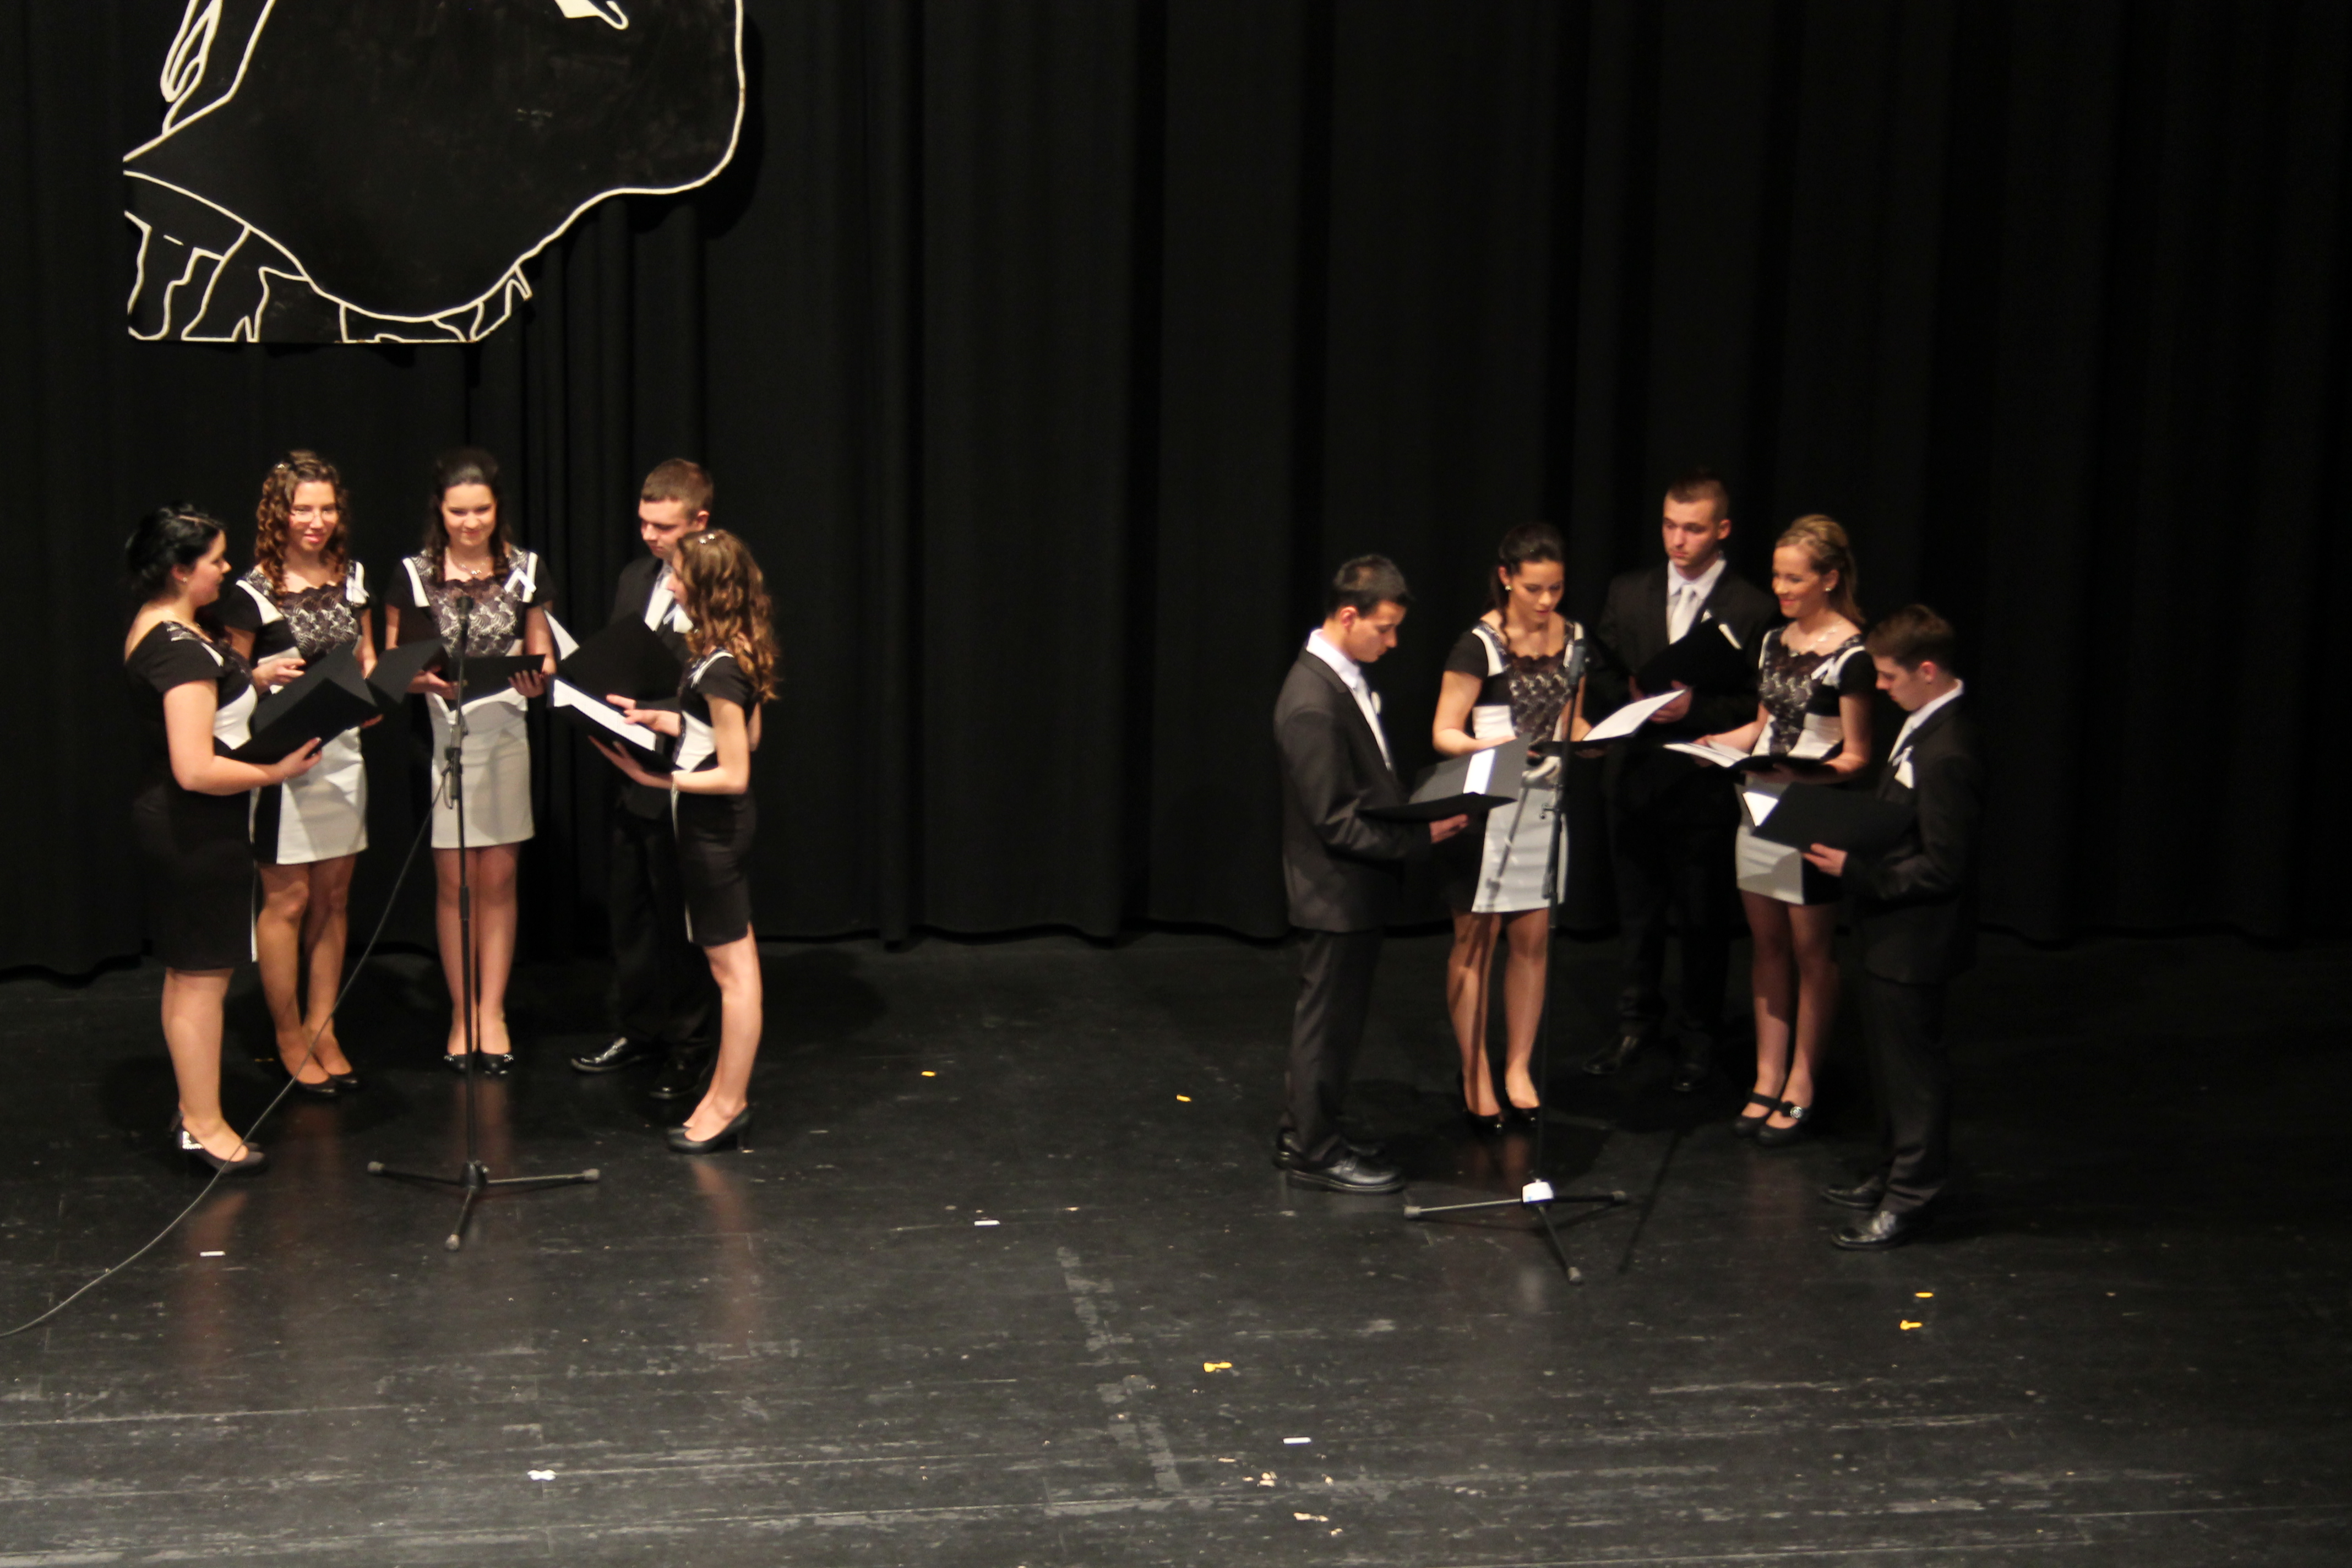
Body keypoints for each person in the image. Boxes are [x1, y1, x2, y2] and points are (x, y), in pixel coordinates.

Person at [123, 507, 322, 1174]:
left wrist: (252, 681)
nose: (227, 569)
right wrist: (275, 771)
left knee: (191, 976)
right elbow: (196, 766)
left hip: (190, 825)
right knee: (201, 980)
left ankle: (195, 1108)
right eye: (216, 559)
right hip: (195, 829)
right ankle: (203, 1124)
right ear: (181, 570)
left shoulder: (172, 629)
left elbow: (205, 702)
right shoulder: (178, 648)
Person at [1271, 556, 1469, 1194]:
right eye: (1384, 628)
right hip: (1335, 891)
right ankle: (1312, 1150)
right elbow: (1335, 821)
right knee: (1327, 1024)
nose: (1393, 642)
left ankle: (1308, 1130)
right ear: (1348, 616)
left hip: (1353, 887)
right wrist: (1420, 837)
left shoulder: (1341, 679)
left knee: (1337, 1022)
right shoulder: (1312, 701)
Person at [1587, 469, 1778, 1091]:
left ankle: (1700, 1035)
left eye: (1693, 529)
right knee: (1637, 915)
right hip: (1635, 775)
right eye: (1670, 525)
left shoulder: (1751, 606)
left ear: (1722, 529)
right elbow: (1603, 670)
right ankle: (1635, 1023)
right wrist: (1631, 696)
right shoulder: (1629, 590)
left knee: (1702, 919)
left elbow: (1759, 702)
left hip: (1702, 782)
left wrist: (1695, 709)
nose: (1678, 539)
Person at [1800, 605, 1983, 1250]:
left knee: (1913, 1073)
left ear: (1927, 670)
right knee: (1887, 1066)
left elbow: (1943, 866)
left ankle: (1912, 1197)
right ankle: (1891, 1171)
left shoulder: (1950, 751)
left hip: (1916, 941)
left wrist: (1857, 871)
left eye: (1887, 677)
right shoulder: (1923, 723)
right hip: (1886, 933)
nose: (1879, 688)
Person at [590, 529, 776, 1153]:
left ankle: (729, 1103)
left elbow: (736, 769)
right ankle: (723, 1094)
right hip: (709, 824)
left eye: (679, 577)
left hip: (713, 830)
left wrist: (659, 778)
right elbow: (735, 734)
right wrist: (664, 719)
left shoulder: (721, 667)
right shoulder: (723, 652)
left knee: (734, 973)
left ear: (707, 588)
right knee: (732, 968)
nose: (668, 584)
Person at [1695, 515, 1874, 1146]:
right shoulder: (1774, 639)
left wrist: (1802, 773)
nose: (1781, 588)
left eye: (1794, 578)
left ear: (1830, 578)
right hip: (1759, 806)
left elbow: (1857, 755)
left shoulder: (1853, 654)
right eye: (1776, 576)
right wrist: (1718, 743)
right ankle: (1767, 1075)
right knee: (1767, 945)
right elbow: (1762, 726)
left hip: (1813, 813)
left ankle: (1802, 1081)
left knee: (1811, 953)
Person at [383, 448, 553, 1072]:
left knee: (498, 880)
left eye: (481, 510)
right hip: (439, 735)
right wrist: (415, 679)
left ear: (497, 508)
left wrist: (536, 678)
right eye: (459, 512)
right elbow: (391, 664)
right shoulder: (413, 574)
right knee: (455, 880)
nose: (471, 523)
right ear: (440, 510)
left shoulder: (525, 569)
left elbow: (543, 653)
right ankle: (462, 1011)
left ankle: (493, 1009)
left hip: (504, 730)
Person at [217, 453, 374, 1096]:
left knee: (333, 900)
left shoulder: (352, 576)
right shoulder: (252, 589)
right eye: (303, 508)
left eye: (327, 508)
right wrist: (259, 676)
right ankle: (286, 1033)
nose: (316, 520)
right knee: (289, 900)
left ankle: (322, 1024)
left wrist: (373, 693)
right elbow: (228, 683)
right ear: (278, 513)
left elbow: (367, 656)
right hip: (283, 760)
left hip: (344, 754)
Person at [568, 460, 722, 1101]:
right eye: (643, 523)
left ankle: (690, 1048)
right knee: (631, 908)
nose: (650, 536)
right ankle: (639, 1028)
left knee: (678, 918)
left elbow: (722, 685)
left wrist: (661, 717)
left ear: (700, 521)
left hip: (686, 769)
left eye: (665, 526)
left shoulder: (719, 585)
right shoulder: (636, 576)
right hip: (631, 765)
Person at [1430, 524, 1592, 1128]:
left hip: (1544, 806)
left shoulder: (1574, 638)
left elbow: (1573, 721)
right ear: (1506, 578)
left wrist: (1594, 738)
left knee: (1532, 941)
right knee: (1477, 942)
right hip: (1485, 809)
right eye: (1533, 589)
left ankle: (1519, 1066)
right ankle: (1474, 1069)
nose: (1546, 601)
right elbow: (1444, 731)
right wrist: (1494, 747)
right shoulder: (1480, 644)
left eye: (1555, 588)